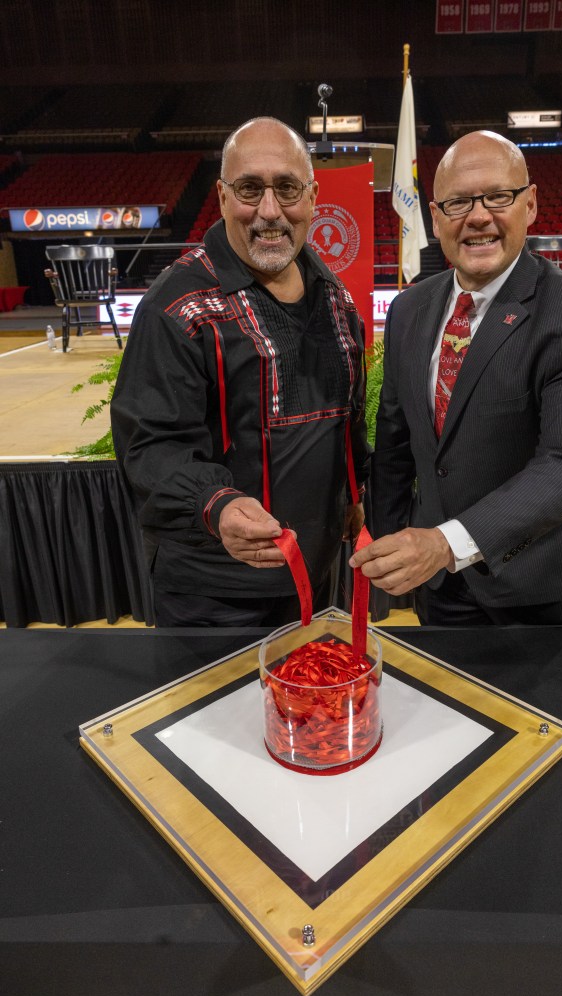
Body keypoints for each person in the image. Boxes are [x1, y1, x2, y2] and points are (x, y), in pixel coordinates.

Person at [350, 130, 562, 626]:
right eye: (458, 202)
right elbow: (394, 443)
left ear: (530, 204)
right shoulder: (409, 309)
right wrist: (389, 542)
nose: (478, 217)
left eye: (498, 196)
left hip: (535, 591)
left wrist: (445, 543)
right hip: (437, 587)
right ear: (435, 217)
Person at [111, 117, 369, 627]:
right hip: (214, 594)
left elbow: (348, 418)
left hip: (315, 574)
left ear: (312, 196)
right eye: (250, 189)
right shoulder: (176, 306)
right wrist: (217, 505)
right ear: (223, 197)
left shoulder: (336, 297)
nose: (269, 211)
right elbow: (149, 446)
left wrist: (352, 491)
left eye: (287, 188)